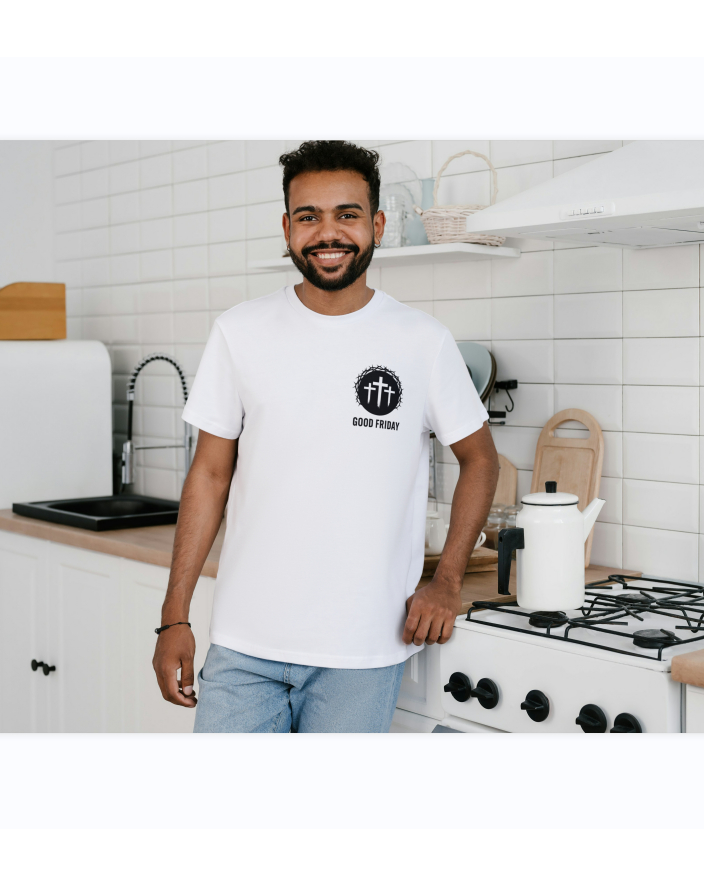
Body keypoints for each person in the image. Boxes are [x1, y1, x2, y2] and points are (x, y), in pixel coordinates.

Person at [152, 140, 499, 732]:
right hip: (244, 645)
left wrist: (445, 582)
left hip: (362, 650)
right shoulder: (240, 332)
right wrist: (174, 616)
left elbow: (481, 460)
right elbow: (209, 476)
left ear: (377, 226)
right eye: (309, 216)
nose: (328, 233)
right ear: (288, 229)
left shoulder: (422, 341)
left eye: (347, 214)